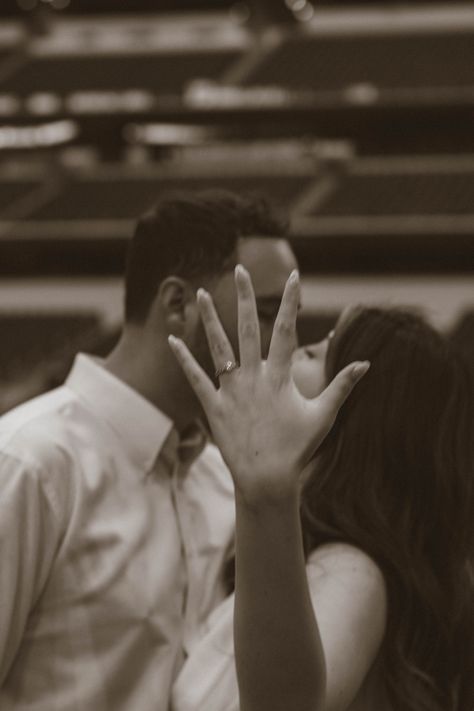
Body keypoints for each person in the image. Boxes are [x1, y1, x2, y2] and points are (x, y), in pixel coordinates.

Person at [0, 190, 299, 711]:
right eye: (269, 313)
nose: (286, 342)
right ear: (178, 305)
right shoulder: (32, 460)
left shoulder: (226, 477)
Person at [169, 267, 474, 711]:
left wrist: (266, 491)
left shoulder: (352, 571)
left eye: (318, 355)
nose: (295, 350)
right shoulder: (316, 558)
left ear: (360, 421)